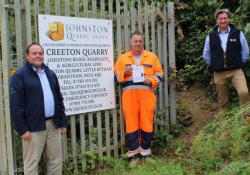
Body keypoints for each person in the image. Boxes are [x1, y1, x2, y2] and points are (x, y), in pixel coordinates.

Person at [10, 44, 68, 175]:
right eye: (34, 53)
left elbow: (59, 99)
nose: (38, 56)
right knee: (32, 164)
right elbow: (15, 106)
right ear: (27, 56)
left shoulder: (50, 74)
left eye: (40, 53)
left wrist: (63, 122)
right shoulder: (20, 76)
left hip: (53, 125)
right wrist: (22, 129)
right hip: (33, 127)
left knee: (55, 161)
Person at [114, 31, 164, 167]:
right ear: (131, 43)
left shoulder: (152, 57)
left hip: (147, 97)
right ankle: (133, 156)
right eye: (135, 41)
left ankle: (146, 154)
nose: (137, 43)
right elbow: (115, 75)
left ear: (143, 43)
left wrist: (152, 80)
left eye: (140, 41)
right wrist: (124, 72)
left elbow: (160, 73)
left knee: (147, 123)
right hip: (129, 98)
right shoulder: (123, 58)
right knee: (131, 125)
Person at [203, 9, 250, 112]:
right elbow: (206, 54)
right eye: (220, 19)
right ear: (217, 20)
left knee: (244, 93)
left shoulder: (238, 33)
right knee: (223, 101)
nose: (223, 20)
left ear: (229, 19)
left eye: (225, 18)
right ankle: (224, 126)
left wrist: (237, 62)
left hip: (236, 71)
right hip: (219, 73)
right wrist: (214, 64)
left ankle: (246, 121)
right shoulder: (211, 36)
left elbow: (245, 51)